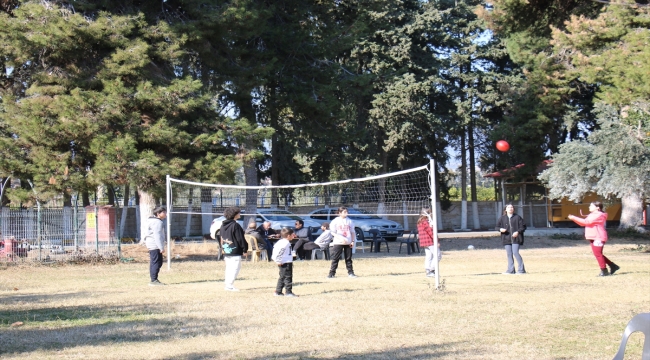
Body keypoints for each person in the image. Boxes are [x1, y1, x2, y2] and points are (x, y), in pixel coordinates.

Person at [568, 201, 620, 276]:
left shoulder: (599, 215)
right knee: (598, 254)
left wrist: (574, 217)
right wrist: (574, 219)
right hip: (593, 236)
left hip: (598, 236)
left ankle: (604, 271)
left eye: (591, 206)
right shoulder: (592, 215)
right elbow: (583, 223)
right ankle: (613, 266)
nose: (589, 207)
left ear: (597, 208)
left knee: (598, 254)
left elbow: (587, 222)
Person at [220, 207, 248, 291]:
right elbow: (240, 239)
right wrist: (245, 249)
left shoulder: (223, 225)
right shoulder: (235, 225)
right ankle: (229, 285)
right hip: (235, 251)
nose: (240, 214)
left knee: (229, 268)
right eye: (238, 213)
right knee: (235, 268)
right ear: (234, 215)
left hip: (226, 249)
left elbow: (220, 238)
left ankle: (228, 284)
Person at [496, 204, 526, 274]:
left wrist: (518, 232)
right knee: (509, 254)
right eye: (508, 207)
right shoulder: (502, 218)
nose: (510, 208)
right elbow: (496, 227)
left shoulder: (518, 217)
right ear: (505, 209)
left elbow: (523, 227)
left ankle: (521, 270)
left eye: (512, 207)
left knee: (515, 252)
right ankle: (510, 270)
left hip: (516, 238)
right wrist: (500, 229)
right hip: (506, 238)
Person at [328, 207, 357, 278]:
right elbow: (333, 232)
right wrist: (341, 238)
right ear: (340, 213)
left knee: (348, 258)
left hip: (348, 242)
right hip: (338, 242)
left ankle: (351, 273)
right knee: (335, 258)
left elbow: (352, 232)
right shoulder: (335, 221)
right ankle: (331, 274)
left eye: (346, 212)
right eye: (344, 212)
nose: (346, 213)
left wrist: (352, 241)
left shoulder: (349, 221)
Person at [272, 227, 299, 297]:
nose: (294, 236)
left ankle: (278, 291)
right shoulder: (285, 243)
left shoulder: (280, 242)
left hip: (285, 261)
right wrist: (278, 260)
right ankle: (288, 292)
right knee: (288, 277)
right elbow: (280, 252)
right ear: (288, 236)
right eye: (292, 234)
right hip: (285, 262)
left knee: (282, 277)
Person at [144, 206, 167, 286]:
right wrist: (161, 247)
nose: (165, 214)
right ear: (158, 214)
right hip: (154, 244)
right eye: (164, 212)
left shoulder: (151, 220)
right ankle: (153, 280)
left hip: (152, 243)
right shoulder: (157, 222)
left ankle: (154, 279)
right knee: (156, 262)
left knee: (156, 262)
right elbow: (157, 235)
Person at [417, 208, 442, 277]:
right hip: (429, 241)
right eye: (430, 213)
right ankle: (432, 270)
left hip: (425, 242)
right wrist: (436, 241)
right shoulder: (425, 222)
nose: (432, 214)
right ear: (427, 214)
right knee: (438, 255)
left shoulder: (420, 221)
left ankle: (428, 271)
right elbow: (431, 232)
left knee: (429, 256)